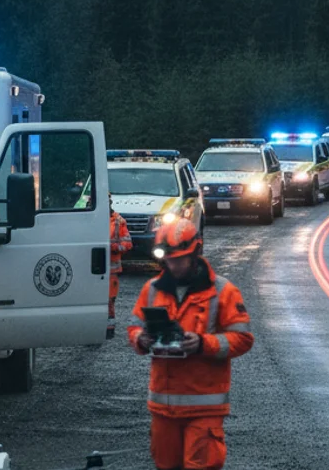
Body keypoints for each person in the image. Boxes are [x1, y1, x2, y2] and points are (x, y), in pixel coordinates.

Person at [128, 220, 254, 470]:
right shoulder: (152, 289)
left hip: (203, 407)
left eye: (179, 259)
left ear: (196, 252)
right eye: (169, 260)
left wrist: (202, 344)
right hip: (163, 409)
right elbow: (134, 328)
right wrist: (140, 339)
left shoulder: (223, 291)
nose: (173, 266)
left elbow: (242, 339)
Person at [109, 195, 133, 339]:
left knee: (109, 300)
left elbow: (127, 244)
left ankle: (109, 329)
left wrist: (114, 247)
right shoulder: (88, 219)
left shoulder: (118, 222)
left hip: (111, 269)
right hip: (91, 268)